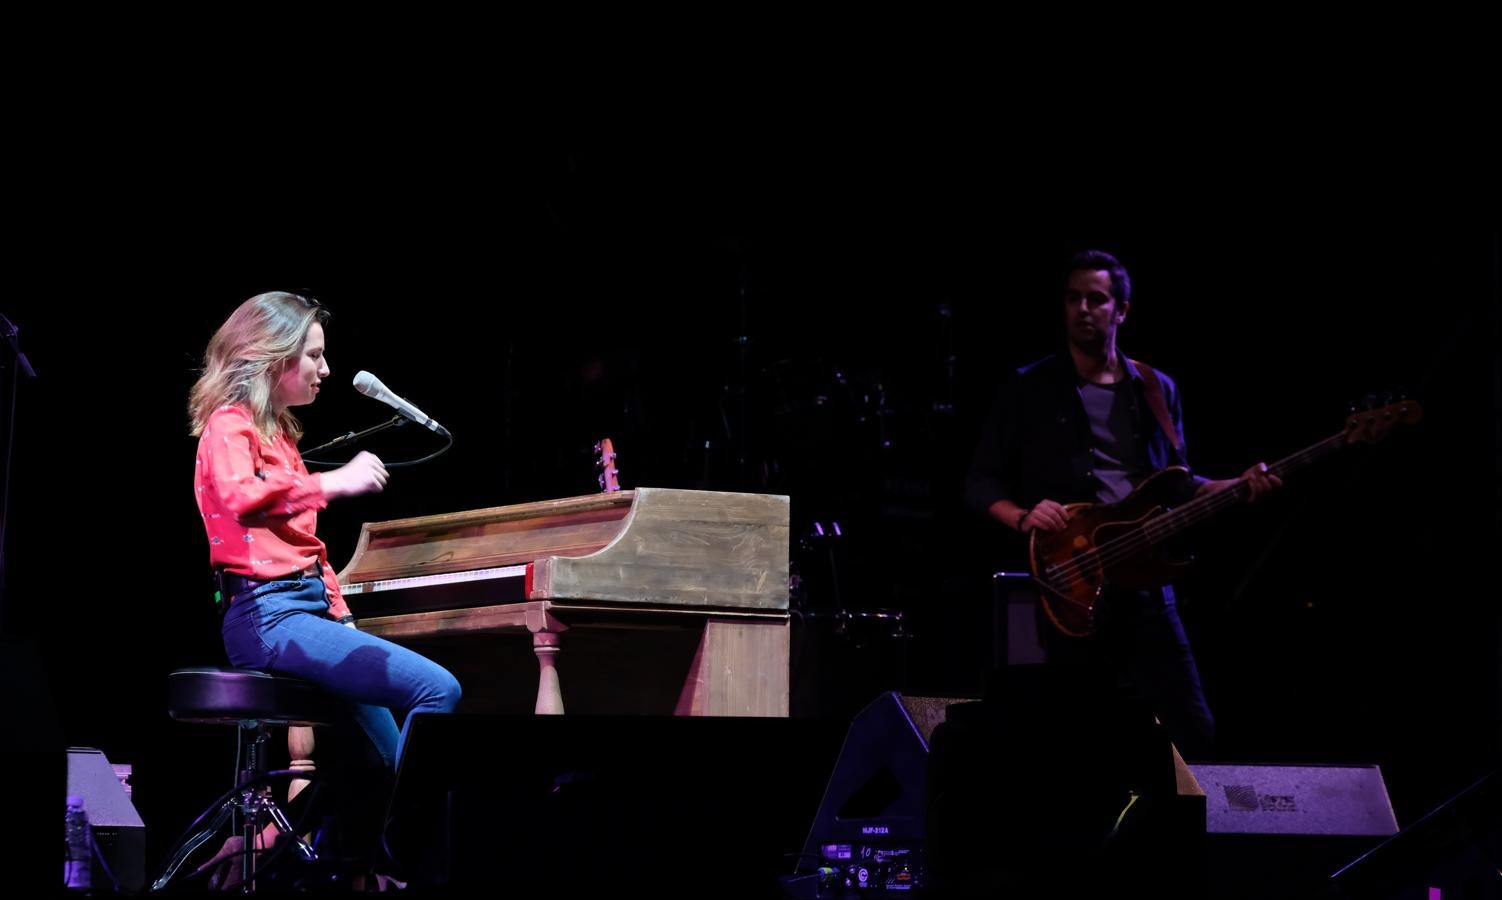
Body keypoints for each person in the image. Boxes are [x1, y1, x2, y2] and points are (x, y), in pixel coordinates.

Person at [964, 250, 1280, 760]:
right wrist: (1025, 516)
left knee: (1193, 732)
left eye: (1096, 299)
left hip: (1148, 584)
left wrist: (1238, 485)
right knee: (1074, 738)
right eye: (1073, 299)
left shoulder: (1156, 388)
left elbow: (1178, 485)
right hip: (1073, 581)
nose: (1083, 309)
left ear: (1122, 310)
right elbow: (980, 483)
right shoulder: (1029, 387)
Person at [188, 290, 461, 877]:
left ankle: (322, 857)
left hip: (307, 612)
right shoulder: (227, 427)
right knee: (439, 692)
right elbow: (239, 499)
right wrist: (332, 483)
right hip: (267, 617)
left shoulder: (281, 437)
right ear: (273, 357)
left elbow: (308, 553)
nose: (326, 369)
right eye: (313, 356)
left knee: (393, 762)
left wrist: (340, 616)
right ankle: (394, 862)